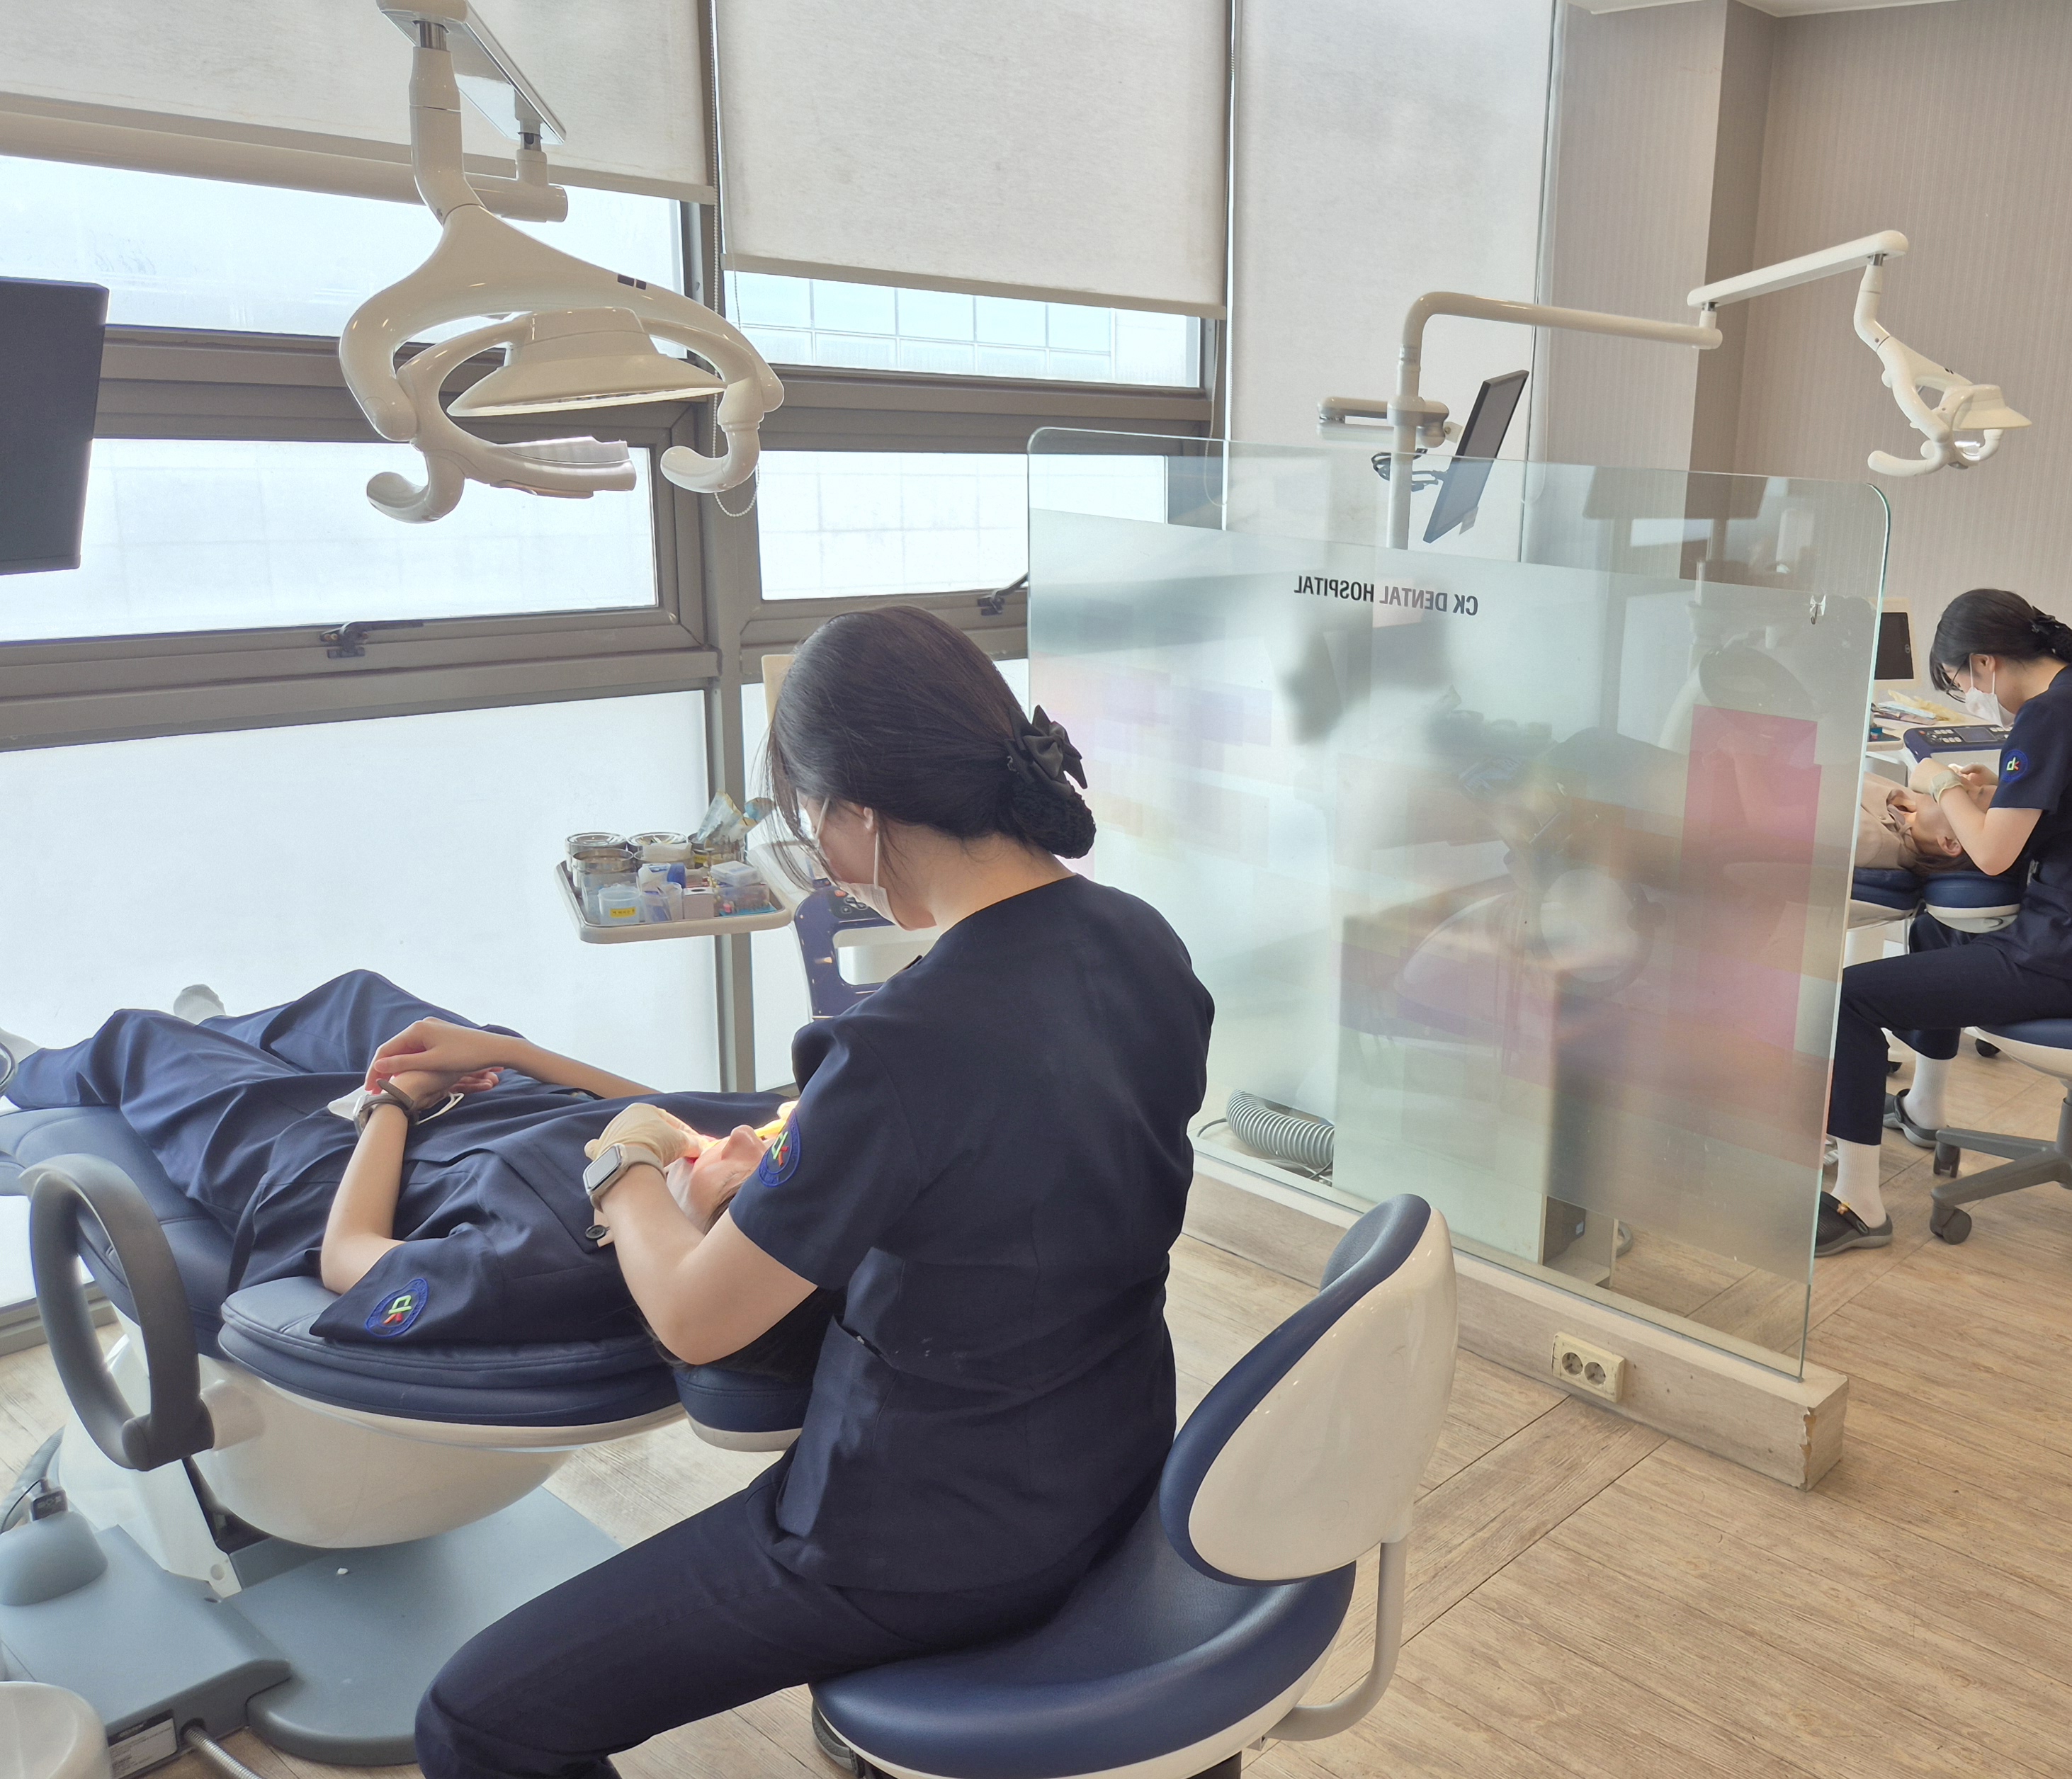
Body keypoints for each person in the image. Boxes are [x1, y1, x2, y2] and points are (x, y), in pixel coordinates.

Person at [390, 605, 1214, 1779]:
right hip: (1109, 1458)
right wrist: (530, 1060)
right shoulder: (1141, 942)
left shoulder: (903, 1047)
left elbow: (695, 1317)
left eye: (806, 815)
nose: (816, 848)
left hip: (926, 1540)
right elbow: (938, 1150)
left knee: (473, 1718)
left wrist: (622, 1166)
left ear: (857, 814)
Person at [0, 973, 823, 1368]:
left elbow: (346, 1254)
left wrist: (392, 1105)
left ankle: (32, 1071)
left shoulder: (525, 1268)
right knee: (357, 1000)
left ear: (695, 1239)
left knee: (138, 1038)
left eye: (734, 1176)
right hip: (501, 1105)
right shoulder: (751, 1167)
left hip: (336, 1166)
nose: (742, 1138)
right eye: (766, 1140)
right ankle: (226, 1039)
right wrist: (508, 1052)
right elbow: (664, 1105)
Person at [1821, 589, 2072, 1256]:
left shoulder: (2048, 715)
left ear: (1985, 661)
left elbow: (1991, 853)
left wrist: (1940, 784)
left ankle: (1859, 1205)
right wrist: (1995, 786)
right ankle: (1923, 1108)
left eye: (1965, 684)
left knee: (1850, 998)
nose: (1977, 698)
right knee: (1935, 931)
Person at [1858, 771, 1991, 873]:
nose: (1961, 779)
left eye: (1964, 793)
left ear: (1949, 843)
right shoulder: (1915, 803)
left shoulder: (1870, 840)